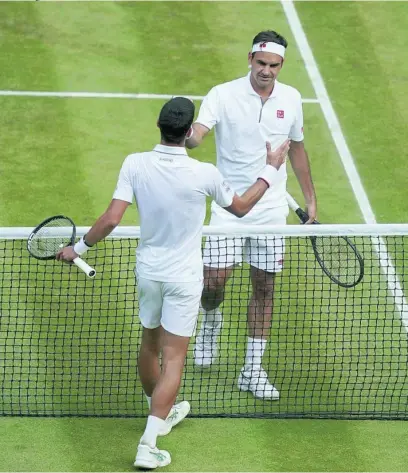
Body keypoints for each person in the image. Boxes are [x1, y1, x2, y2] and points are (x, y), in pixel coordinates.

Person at [56, 97, 289, 469]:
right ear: (189, 132)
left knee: (150, 347)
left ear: (159, 126)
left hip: (148, 272)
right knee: (175, 357)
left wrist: (78, 247)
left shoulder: (134, 163)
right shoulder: (204, 174)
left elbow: (112, 218)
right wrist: (271, 168)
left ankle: (159, 411)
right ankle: (148, 443)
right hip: (183, 277)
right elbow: (243, 207)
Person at [186, 30, 317, 401]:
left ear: (281, 65)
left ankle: (252, 370)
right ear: (250, 59)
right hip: (228, 207)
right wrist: (189, 137)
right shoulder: (222, 94)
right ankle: (210, 322)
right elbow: (198, 134)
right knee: (212, 283)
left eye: (274, 66)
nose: (267, 71)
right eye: (261, 64)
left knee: (265, 288)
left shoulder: (291, 99)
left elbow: (298, 152)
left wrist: (311, 202)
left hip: (272, 211)